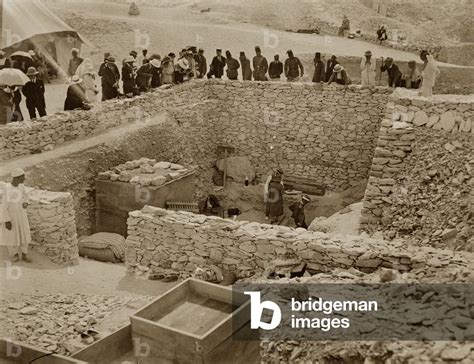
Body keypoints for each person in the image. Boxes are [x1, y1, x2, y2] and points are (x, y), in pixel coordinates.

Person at [1, 168, 32, 263]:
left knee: (24, 233)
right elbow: (4, 206)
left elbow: (26, 196)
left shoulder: (21, 186)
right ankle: (13, 254)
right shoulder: (7, 188)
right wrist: (7, 220)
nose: (24, 179)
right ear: (17, 178)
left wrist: (26, 203)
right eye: (22, 177)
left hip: (22, 214)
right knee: (12, 236)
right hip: (11, 215)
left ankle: (24, 254)